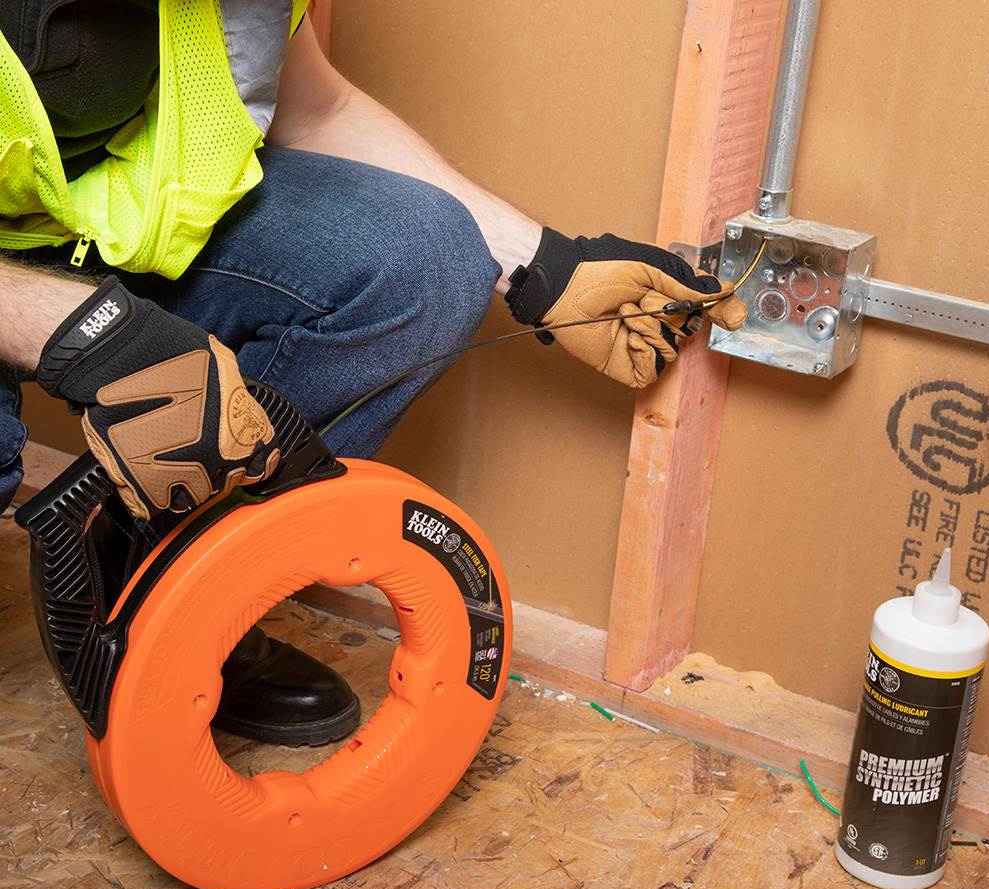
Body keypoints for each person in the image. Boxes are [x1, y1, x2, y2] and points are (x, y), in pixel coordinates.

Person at [0, 2, 746, 747]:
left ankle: (165, 587)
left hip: (94, 221)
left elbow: (316, 110)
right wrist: (77, 332)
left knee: (425, 261)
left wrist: (539, 262)